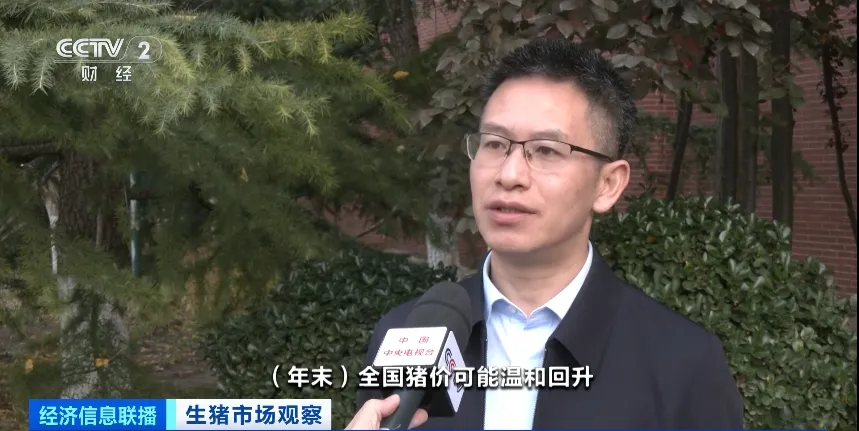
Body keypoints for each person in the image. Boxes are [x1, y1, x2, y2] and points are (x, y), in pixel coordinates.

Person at [348, 37, 744, 430]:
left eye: (547, 150)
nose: (509, 175)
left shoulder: (682, 363)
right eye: (494, 144)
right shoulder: (406, 337)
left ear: (607, 184)